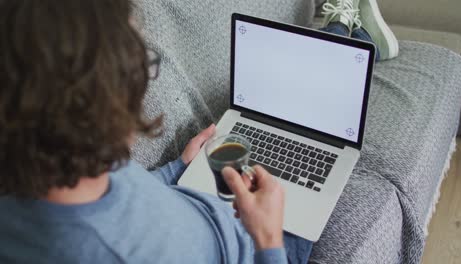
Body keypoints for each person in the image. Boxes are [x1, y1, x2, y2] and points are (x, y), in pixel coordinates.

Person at [0, 0, 398, 264]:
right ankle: (356, 34)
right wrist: (267, 237)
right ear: (103, 108)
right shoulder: (106, 250)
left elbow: (130, 197)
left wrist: (178, 167)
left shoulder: (59, 166)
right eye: (143, 67)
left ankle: (347, 28)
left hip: (203, 196)